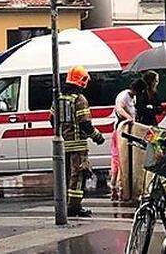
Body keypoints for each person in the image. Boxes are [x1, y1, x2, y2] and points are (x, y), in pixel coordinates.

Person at [58, 65, 105, 217]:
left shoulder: (59, 98)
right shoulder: (79, 99)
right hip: (78, 145)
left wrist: (64, 132)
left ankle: (66, 204)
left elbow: (52, 119)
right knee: (78, 176)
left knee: (66, 176)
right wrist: (97, 136)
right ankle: (74, 207)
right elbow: (85, 123)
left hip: (64, 144)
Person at [110, 78, 140, 203]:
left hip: (128, 132)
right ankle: (114, 188)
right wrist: (128, 118)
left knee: (126, 161)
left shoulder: (133, 98)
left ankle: (122, 189)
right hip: (120, 132)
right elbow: (119, 108)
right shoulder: (123, 96)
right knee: (118, 161)